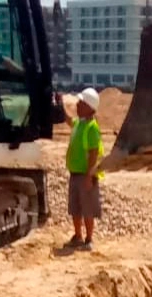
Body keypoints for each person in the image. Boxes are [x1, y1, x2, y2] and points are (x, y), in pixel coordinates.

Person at [62, 87, 105, 251]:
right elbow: (68, 120)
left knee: (87, 208)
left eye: (81, 103)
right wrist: (60, 105)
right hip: (75, 173)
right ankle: (77, 236)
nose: (77, 105)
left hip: (86, 175)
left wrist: (89, 176)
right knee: (75, 208)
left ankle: (88, 239)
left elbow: (94, 153)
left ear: (89, 107)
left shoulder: (92, 128)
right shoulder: (79, 123)